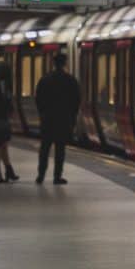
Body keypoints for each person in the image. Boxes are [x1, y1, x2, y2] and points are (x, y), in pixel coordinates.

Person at [33, 50, 81, 185]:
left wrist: (42, 113)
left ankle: (40, 175)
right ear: (65, 63)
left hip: (47, 119)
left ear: (53, 64)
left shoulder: (45, 80)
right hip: (63, 120)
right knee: (60, 149)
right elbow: (76, 101)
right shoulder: (70, 81)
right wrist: (72, 118)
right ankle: (57, 176)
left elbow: (38, 99)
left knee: (44, 149)